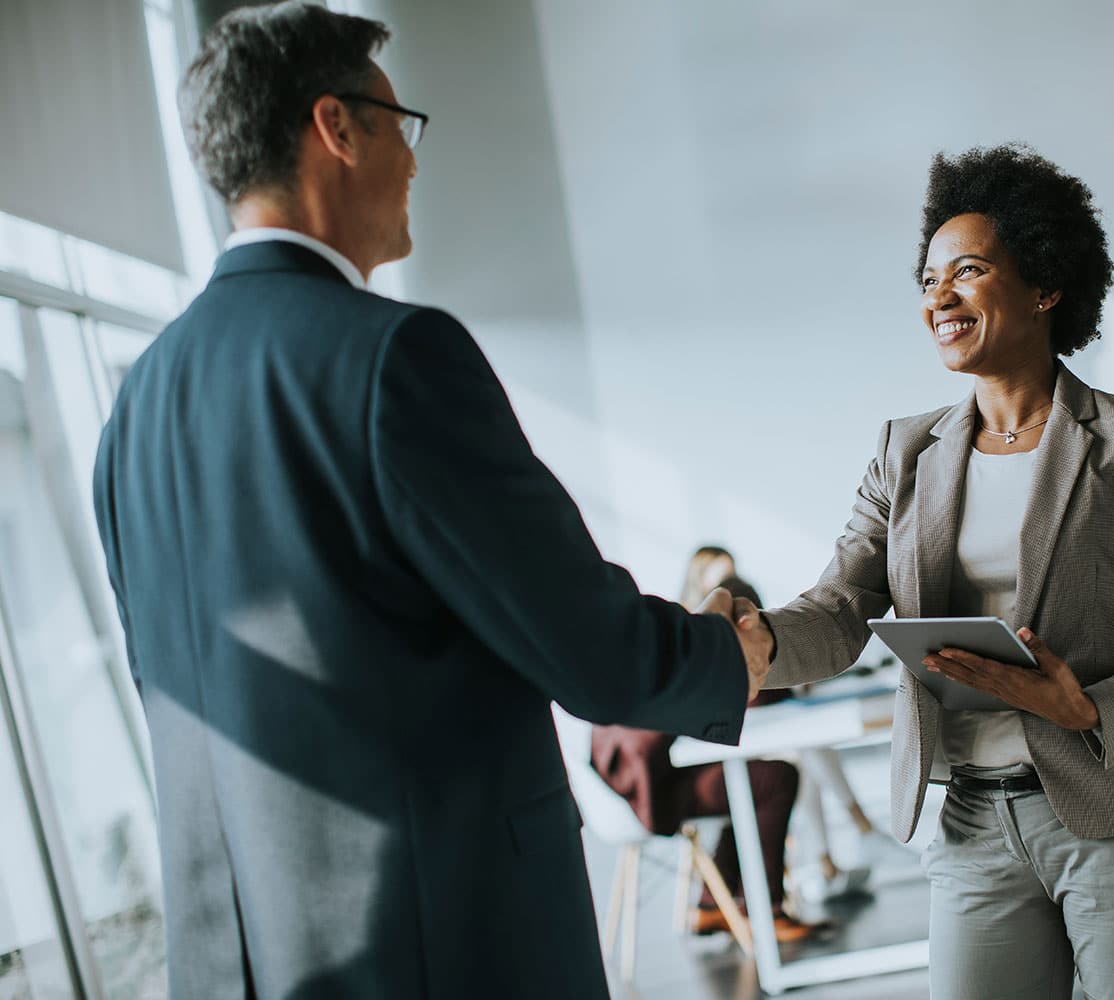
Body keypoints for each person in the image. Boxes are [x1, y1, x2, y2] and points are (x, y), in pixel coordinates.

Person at [89, 5, 768, 997]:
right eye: (400, 126)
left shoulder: (133, 409)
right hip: (443, 942)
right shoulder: (393, 357)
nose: (413, 162)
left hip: (243, 963)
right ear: (337, 127)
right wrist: (728, 655)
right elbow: (584, 642)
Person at [734, 144, 1114, 1000]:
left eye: (968, 271)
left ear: (1046, 286)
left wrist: (1093, 708)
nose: (938, 297)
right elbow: (839, 609)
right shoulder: (904, 454)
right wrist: (759, 644)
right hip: (973, 821)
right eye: (927, 279)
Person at [592, 572, 824, 943]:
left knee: (746, 780)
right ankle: (765, 912)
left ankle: (710, 905)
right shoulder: (699, 642)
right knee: (773, 779)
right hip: (647, 791)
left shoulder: (663, 633)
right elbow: (746, 695)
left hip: (621, 785)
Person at [681, 546, 884, 901]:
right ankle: (853, 830)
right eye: (719, 578)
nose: (730, 586)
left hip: (759, 735)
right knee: (805, 752)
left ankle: (827, 858)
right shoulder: (695, 633)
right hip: (722, 748)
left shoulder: (743, 626)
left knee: (806, 751)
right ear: (700, 583)